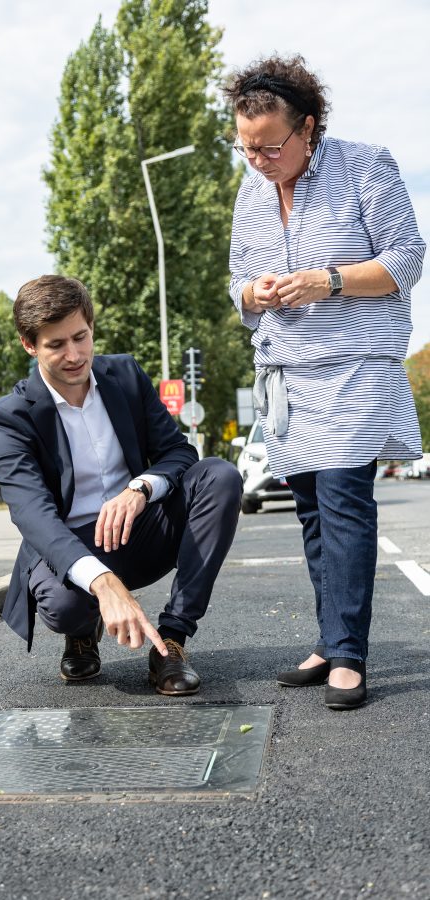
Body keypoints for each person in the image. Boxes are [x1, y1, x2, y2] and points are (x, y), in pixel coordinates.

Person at [225, 55, 425, 710]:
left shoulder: (365, 165)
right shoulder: (250, 191)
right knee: (311, 507)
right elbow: (237, 284)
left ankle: (348, 654)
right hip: (290, 375)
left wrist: (327, 279)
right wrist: (253, 292)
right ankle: (329, 637)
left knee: (343, 499)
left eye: (271, 147)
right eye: (246, 147)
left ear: (308, 127)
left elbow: (406, 258)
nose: (259, 160)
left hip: (355, 366)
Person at [0, 275, 243, 695]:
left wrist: (139, 489)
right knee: (65, 607)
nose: (74, 355)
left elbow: (179, 454)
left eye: (80, 337)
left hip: (138, 529)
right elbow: (32, 513)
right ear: (29, 345)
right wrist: (103, 584)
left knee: (220, 476)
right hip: (69, 545)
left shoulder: (124, 375)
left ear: (91, 327)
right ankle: (82, 631)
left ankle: (171, 641)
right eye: (56, 345)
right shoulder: (9, 417)